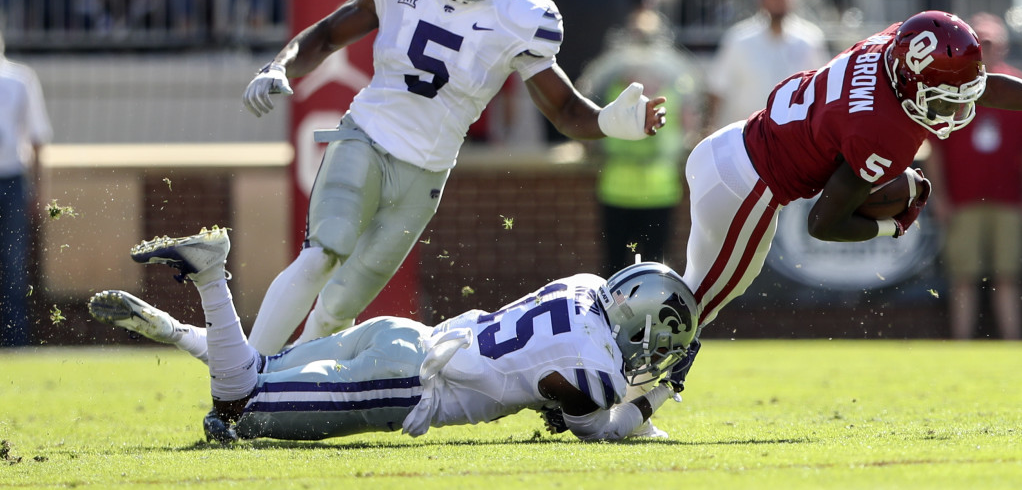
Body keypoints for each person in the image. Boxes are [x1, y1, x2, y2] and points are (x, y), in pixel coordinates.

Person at [242, 0, 667, 355]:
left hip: (426, 173)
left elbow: (564, 109)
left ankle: (279, 389)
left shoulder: (520, 14)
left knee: (341, 306)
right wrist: (279, 64)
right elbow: (325, 36)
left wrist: (611, 122)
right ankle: (238, 384)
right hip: (366, 135)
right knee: (323, 254)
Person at [672, 9, 1022, 386]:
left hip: (729, 145)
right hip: (748, 184)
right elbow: (823, 224)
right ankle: (622, 384)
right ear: (913, 84)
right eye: (944, 98)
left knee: (693, 298)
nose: (956, 109)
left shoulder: (893, 43)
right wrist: (892, 224)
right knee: (695, 310)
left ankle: (628, 374)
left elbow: (973, 82)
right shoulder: (884, 133)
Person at [88, 226, 699, 443]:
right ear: (639, 324)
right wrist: (660, 392)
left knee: (256, 373)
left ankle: (170, 326)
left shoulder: (583, 281)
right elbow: (603, 432)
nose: (653, 357)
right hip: (408, 387)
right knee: (237, 409)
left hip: (400, 336)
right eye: (658, 345)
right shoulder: (598, 374)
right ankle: (211, 275)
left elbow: (547, 368)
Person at [924, 13, 1022, 341]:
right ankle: (962, 342)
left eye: (991, 43)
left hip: (1008, 200)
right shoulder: (949, 86)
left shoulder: (1017, 85)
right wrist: (941, 197)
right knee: (963, 276)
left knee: (1008, 275)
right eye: (981, 42)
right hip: (964, 199)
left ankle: (1012, 342)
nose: (986, 49)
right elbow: (935, 147)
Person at [579, 10, 705, 274]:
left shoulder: (676, 88)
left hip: (660, 191)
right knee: (613, 271)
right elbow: (585, 124)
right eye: (638, 36)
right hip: (616, 190)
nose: (644, 47)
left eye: (649, 37)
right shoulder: (610, 87)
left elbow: (692, 128)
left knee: (655, 270)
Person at [705, 0, 828, 132]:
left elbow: (822, 89)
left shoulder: (809, 39)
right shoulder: (739, 38)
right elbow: (718, 87)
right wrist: (709, 128)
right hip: (745, 137)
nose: (777, 1)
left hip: (791, 136)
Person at [0, 32, 53, 347]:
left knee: (14, 266)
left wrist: (38, 190)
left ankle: (14, 341)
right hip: (15, 182)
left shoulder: (20, 79)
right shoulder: (20, 78)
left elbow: (36, 138)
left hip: (12, 180)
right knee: (12, 265)